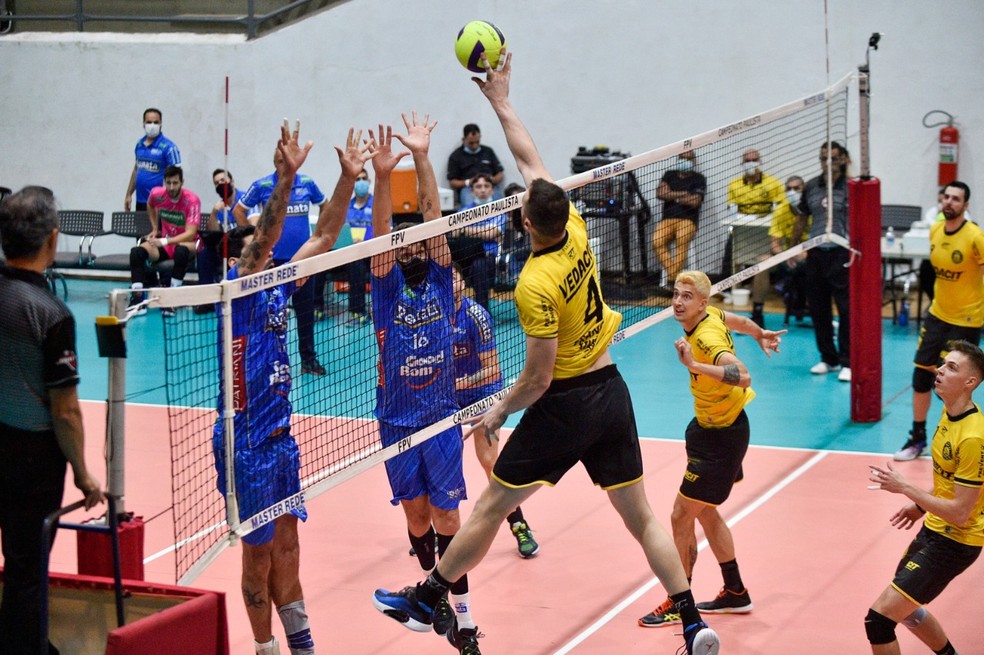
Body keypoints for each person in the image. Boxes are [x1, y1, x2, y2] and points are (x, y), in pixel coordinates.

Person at [372, 51, 720, 655]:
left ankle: (427, 599)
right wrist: (502, 99)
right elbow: (530, 157)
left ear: (528, 223)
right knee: (639, 517)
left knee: (490, 506)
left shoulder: (533, 283)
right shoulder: (577, 227)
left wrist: (496, 410)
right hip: (612, 391)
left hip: (566, 402)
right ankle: (691, 620)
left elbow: (535, 377)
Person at [211, 121, 372, 655]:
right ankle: (265, 650)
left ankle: (302, 645)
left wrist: (347, 180)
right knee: (257, 560)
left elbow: (324, 237)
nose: (274, 253)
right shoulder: (238, 291)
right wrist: (286, 177)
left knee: (289, 549)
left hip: (280, 441)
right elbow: (266, 236)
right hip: (246, 446)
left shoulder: (278, 287)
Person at [369, 115, 482, 652]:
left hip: (438, 418)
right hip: (394, 419)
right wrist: (381, 176)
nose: (410, 249)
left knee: (448, 516)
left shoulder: (442, 284)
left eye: (416, 245)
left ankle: (461, 617)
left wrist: (419, 156)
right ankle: (429, 605)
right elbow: (377, 242)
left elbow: (435, 218)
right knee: (416, 515)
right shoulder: (386, 296)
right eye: (403, 245)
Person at [639, 270, 784, 628]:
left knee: (679, 515)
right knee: (704, 512)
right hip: (714, 428)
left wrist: (693, 365)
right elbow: (742, 321)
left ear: (702, 303)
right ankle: (735, 592)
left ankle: (679, 601)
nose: (678, 301)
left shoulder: (705, 338)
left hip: (722, 438)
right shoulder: (713, 315)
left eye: (687, 296)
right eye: (676, 293)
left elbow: (743, 375)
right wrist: (760, 333)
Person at [0, 186, 103, 655]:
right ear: (52, 240)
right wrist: (83, 474)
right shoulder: (51, 314)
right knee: (25, 565)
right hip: (31, 459)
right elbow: (65, 411)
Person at [865, 340, 984, 655]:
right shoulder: (951, 414)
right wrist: (919, 505)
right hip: (934, 529)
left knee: (878, 621)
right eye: (944, 364)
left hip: (957, 540)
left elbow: (960, 512)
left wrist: (907, 488)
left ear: (970, 383)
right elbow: (948, 483)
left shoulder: (972, 437)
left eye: (952, 368)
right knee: (904, 609)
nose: (941, 370)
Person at [452, 263, 539, 558]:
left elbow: (492, 370)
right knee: (443, 463)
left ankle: (519, 525)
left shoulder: (475, 316)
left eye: (457, 278)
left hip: (481, 392)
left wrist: (464, 381)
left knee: (490, 462)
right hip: (448, 397)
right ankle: (443, 530)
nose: (453, 284)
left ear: (463, 283)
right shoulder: (433, 318)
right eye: (447, 279)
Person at [893, 182, 984, 462]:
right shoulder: (935, 229)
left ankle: (955, 442)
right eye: (946, 197)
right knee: (922, 376)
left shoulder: (975, 237)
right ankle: (917, 437)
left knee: (955, 384)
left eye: (956, 199)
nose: (949, 202)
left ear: (965, 205)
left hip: (967, 319)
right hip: (937, 315)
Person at [233, 143, 329, 375]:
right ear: (275, 162)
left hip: (302, 261)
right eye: (279, 160)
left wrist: (319, 237)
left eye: (287, 160)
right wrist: (254, 240)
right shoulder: (262, 185)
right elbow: (238, 211)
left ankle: (308, 359)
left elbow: (325, 205)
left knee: (306, 313)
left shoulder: (306, 183)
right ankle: (266, 359)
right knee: (269, 313)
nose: (284, 164)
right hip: (272, 263)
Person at [795, 141, 852, 382]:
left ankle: (848, 362)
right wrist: (795, 248)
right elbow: (801, 219)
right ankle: (829, 359)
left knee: (846, 310)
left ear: (844, 160)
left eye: (833, 158)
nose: (827, 163)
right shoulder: (811, 186)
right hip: (816, 253)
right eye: (823, 158)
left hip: (842, 253)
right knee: (818, 308)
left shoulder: (852, 187)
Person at [128, 165, 201, 316]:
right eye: (168, 183)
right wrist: (155, 229)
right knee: (137, 252)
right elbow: (150, 204)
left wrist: (165, 241)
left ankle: (172, 300)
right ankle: (138, 300)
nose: (171, 187)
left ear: (182, 182)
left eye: (175, 183)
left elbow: (190, 233)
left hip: (189, 244)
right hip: (166, 244)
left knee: (181, 250)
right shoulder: (157, 194)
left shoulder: (192, 200)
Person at [726, 148, 786, 324]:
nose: (751, 164)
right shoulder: (734, 184)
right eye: (747, 161)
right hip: (744, 226)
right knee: (732, 252)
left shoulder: (772, 183)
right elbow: (731, 208)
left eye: (754, 160)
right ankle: (730, 290)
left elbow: (780, 209)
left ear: (760, 162)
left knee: (764, 261)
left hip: (767, 228)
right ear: (742, 164)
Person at [652, 150, 707, 294]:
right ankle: (675, 278)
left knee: (681, 241)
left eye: (689, 158)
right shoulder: (669, 175)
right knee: (657, 241)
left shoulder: (699, 179)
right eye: (683, 158)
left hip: (688, 221)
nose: (686, 161)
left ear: (693, 161)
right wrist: (683, 194)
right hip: (667, 220)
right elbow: (660, 194)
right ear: (678, 159)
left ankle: (672, 282)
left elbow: (695, 201)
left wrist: (672, 195)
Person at [760, 175, 810, 324]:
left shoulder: (812, 209)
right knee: (761, 264)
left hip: (810, 254)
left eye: (797, 188)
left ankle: (810, 307)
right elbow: (774, 244)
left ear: (804, 190)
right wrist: (787, 255)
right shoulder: (781, 209)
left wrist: (803, 254)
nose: (792, 192)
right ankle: (757, 313)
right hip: (787, 255)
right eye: (789, 189)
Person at [456, 173, 507, 310]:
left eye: (486, 186)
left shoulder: (499, 210)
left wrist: (464, 230)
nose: (483, 190)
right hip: (464, 259)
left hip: (489, 260)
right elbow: (455, 233)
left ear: (493, 190)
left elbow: (493, 232)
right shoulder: (463, 211)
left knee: (479, 266)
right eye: (478, 186)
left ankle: (482, 312)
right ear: (472, 191)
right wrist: (483, 232)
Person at [125, 107, 182, 211]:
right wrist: (128, 194)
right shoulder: (139, 144)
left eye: (156, 122)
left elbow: (177, 178)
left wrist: (169, 201)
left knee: (158, 228)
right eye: (149, 122)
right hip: (141, 202)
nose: (152, 125)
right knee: (141, 228)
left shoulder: (169, 147)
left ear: (161, 124)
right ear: (143, 124)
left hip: (160, 204)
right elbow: (136, 170)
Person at [342, 167, 373, 325]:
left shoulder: (378, 204)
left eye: (363, 179)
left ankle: (358, 312)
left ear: (369, 182)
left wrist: (365, 240)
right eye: (357, 179)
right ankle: (317, 308)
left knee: (356, 263)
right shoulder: (346, 207)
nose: (361, 182)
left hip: (371, 253)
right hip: (347, 252)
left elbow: (387, 230)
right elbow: (340, 232)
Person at [447, 123, 505, 207]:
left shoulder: (488, 151)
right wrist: (468, 182)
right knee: (469, 207)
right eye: (471, 143)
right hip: (468, 188)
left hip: (489, 185)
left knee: (500, 205)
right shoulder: (456, 156)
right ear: (464, 139)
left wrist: (493, 179)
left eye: (477, 142)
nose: (475, 146)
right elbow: (452, 182)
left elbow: (500, 173)